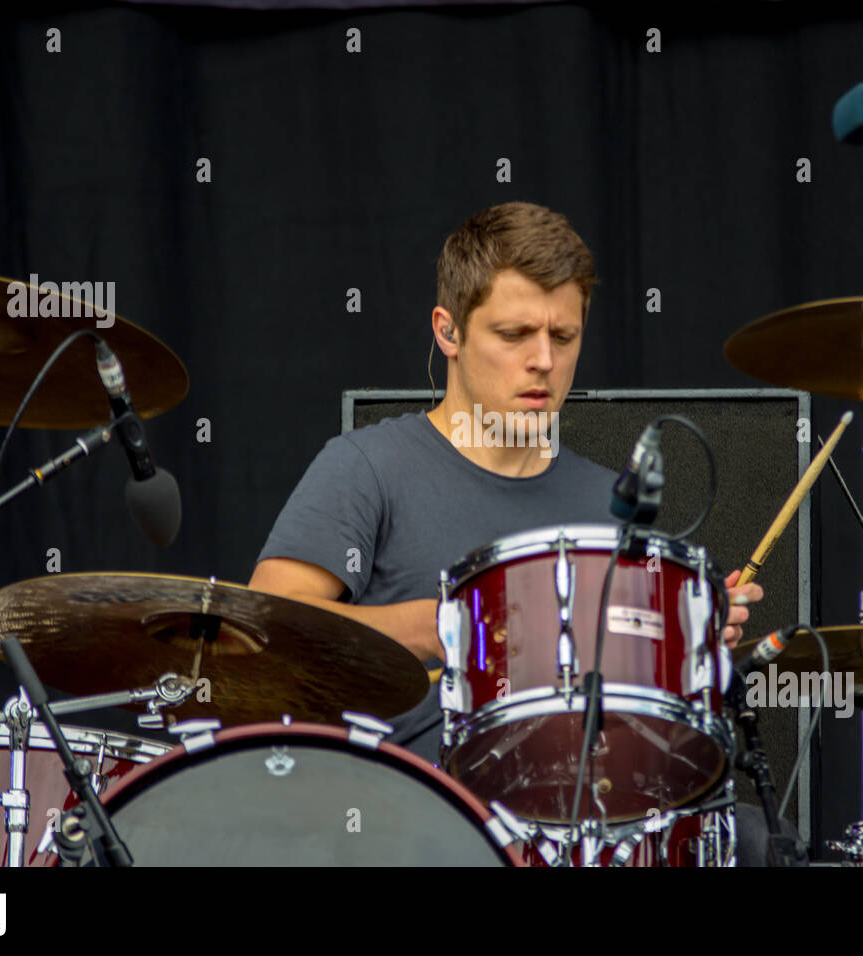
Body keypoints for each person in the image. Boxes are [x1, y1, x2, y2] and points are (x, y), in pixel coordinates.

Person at [250, 200, 784, 863]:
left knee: (755, 840)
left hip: (589, 822)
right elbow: (266, 631)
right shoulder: (366, 466)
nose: (543, 361)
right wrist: (434, 627)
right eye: (514, 334)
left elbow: (622, 704)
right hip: (413, 821)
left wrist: (684, 640)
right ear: (448, 331)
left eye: (564, 338)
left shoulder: (605, 499)